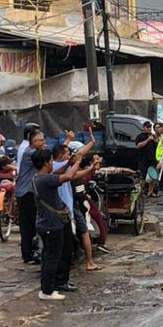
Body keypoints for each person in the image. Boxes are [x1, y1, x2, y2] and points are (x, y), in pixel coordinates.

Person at [32, 148, 83, 301]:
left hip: (47, 224)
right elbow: (67, 176)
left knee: (52, 256)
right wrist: (78, 162)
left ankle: (53, 285)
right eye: (51, 161)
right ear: (46, 163)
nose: (53, 164)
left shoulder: (39, 178)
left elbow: (59, 172)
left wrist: (69, 162)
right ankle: (47, 291)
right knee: (52, 258)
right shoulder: (46, 180)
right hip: (51, 225)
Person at [15, 129, 71, 263]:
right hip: (26, 192)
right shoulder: (31, 153)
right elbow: (51, 156)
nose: (44, 143)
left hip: (30, 190)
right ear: (34, 142)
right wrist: (67, 142)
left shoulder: (32, 152)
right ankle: (28, 255)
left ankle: (34, 252)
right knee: (28, 225)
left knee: (33, 224)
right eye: (42, 140)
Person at [53, 138, 98, 272]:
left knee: (78, 234)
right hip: (64, 208)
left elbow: (76, 166)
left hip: (69, 206)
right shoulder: (57, 168)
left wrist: (89, 166)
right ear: (61, 156)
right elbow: (75, 166)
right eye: (67, 154)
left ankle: (87, 262)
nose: (70, 156)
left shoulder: (56, 166)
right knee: (71, 237)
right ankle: (85, 263)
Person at [135, 121, 158, 197]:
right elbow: (138, 145)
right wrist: (148, 140)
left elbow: (158, 144)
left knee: (153, 176)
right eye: (147, 127)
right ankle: (140, 192)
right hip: (144, 159)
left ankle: (150, 191)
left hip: (153, 158)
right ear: (144, 127)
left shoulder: (153, 136)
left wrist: (155, 140)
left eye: (150, 127)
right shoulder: (140, 136)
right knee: (143, 177)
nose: (149, 129)